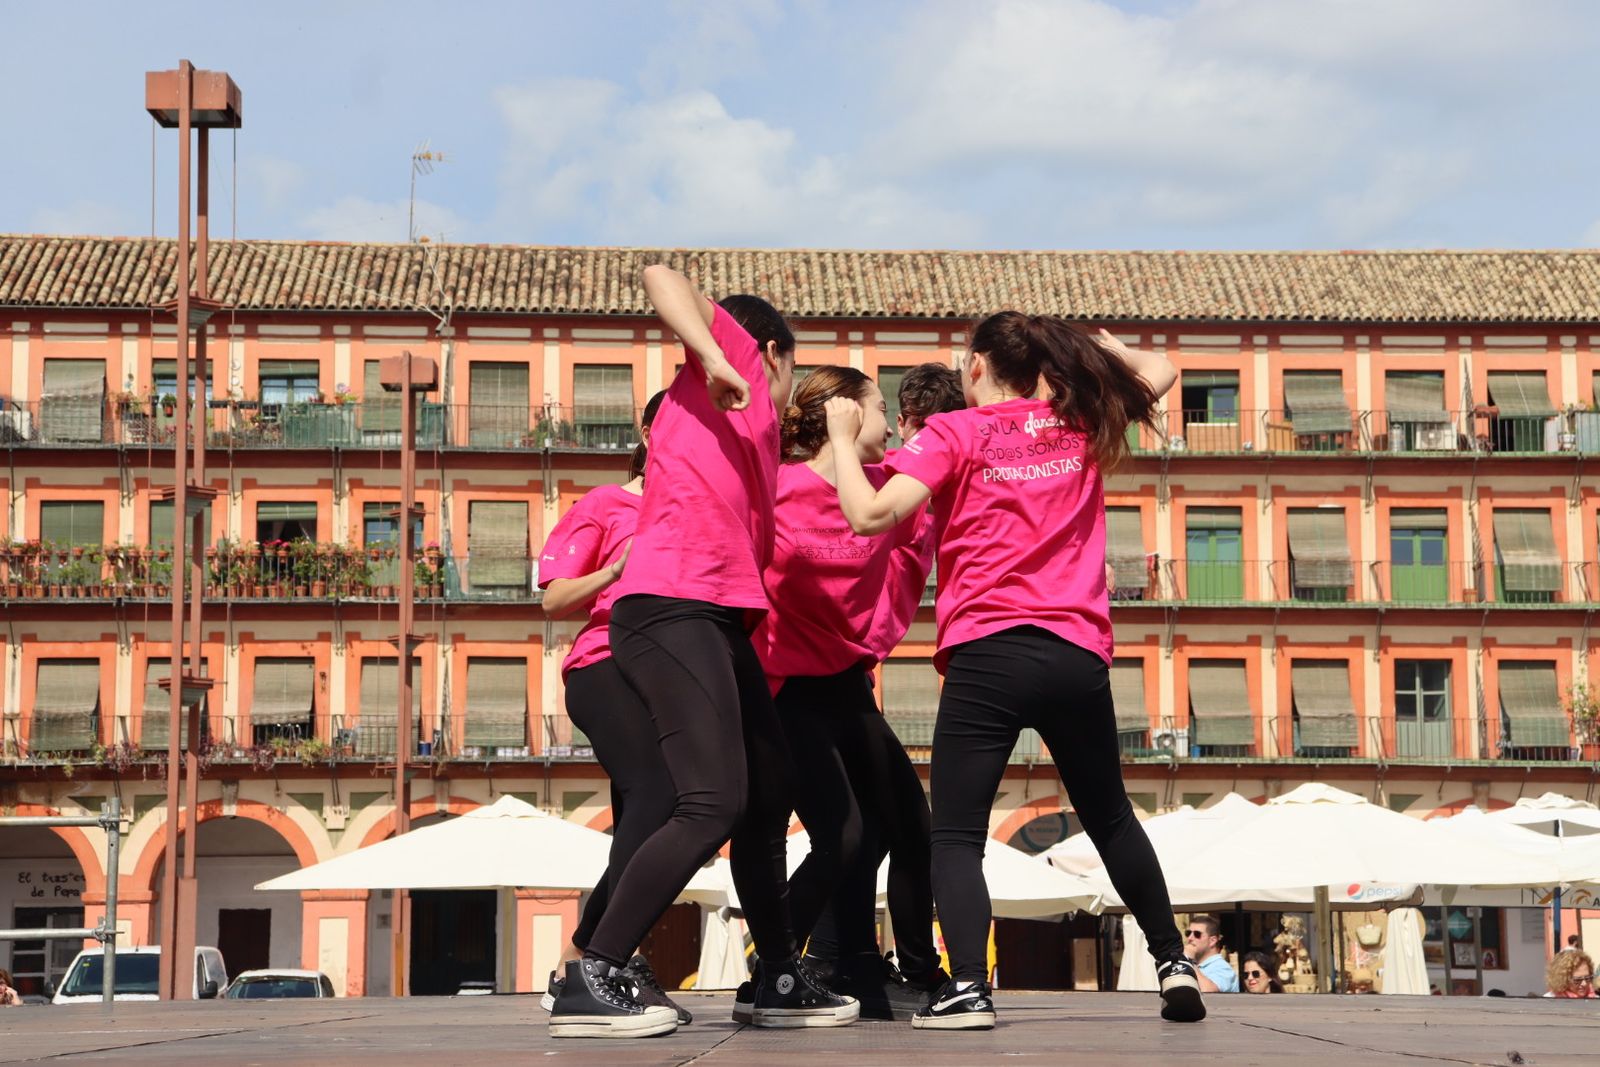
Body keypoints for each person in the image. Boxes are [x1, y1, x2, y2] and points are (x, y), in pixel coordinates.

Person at [825, 311, 1203, 1029]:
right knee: (1112, 816)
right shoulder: (1080, 421)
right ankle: (1172, 959)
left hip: (989, 653)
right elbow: (1163, 372)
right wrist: (1104, 349)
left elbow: (872, 513)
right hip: (1075, 652)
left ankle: (968, 986)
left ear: (975, 366)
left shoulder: (953, 433)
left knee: (958, 834)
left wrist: (844, 440)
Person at [548, 265, 856, 1038]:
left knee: (768, 783)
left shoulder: (760, 441)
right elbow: (661, 274)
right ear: (774, 352)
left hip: (718, 619)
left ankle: (776, 976)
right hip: (670, 607)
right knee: (710, 799)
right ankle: (597, 966)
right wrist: (718, 355)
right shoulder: (735, 374)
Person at [753, 366, 942, 1021]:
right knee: (845, 835)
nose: (889, 423)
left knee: (909, 822)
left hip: (846, 681)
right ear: (846, 416)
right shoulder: (775, 492)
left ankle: (866, 964)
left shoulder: (887, 490)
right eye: (879, 409)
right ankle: (778, 965)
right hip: (784, 686)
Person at [799, 362, 964, 1018]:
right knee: (884, 827)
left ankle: (836, 959)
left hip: (848, 669)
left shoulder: (923, 474)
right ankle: (872, 963)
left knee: (874, 828)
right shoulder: (899, 475)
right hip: (828, 669)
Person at [536, 391, 690, 1025]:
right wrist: (614, 570)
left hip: (672, 674)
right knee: (660, 795)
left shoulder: (697, 509)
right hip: (604, 665)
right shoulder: (603, 505)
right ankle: (589, 955)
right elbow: (553, 601)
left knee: (655, 817)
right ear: (650, 433)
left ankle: (605, 962)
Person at [1185, 914, 1238, 993]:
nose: (1190, 938)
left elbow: (1207, 991)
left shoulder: (1223, 968)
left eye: (1197, 934)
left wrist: (1189, 961)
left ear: (1212, 941)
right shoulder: (1194, 965)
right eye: (1188, 933)